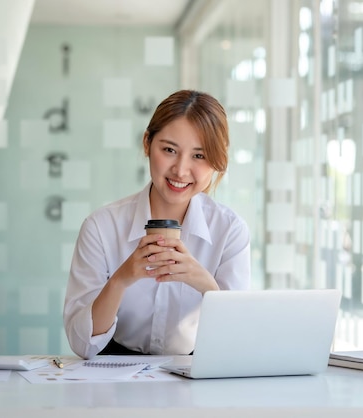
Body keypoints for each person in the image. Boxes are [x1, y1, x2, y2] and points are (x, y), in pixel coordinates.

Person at [64, 89, 251, 359]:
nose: (181, 170)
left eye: (199, 156)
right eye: (169, 150)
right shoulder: (101, 226)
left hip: (195, 374)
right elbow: (82, 345)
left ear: (216, 161)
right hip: (114, 376)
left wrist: (204, 282)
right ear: (147, 144)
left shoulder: (229, 231)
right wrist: (121, 279)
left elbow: (238, 340)